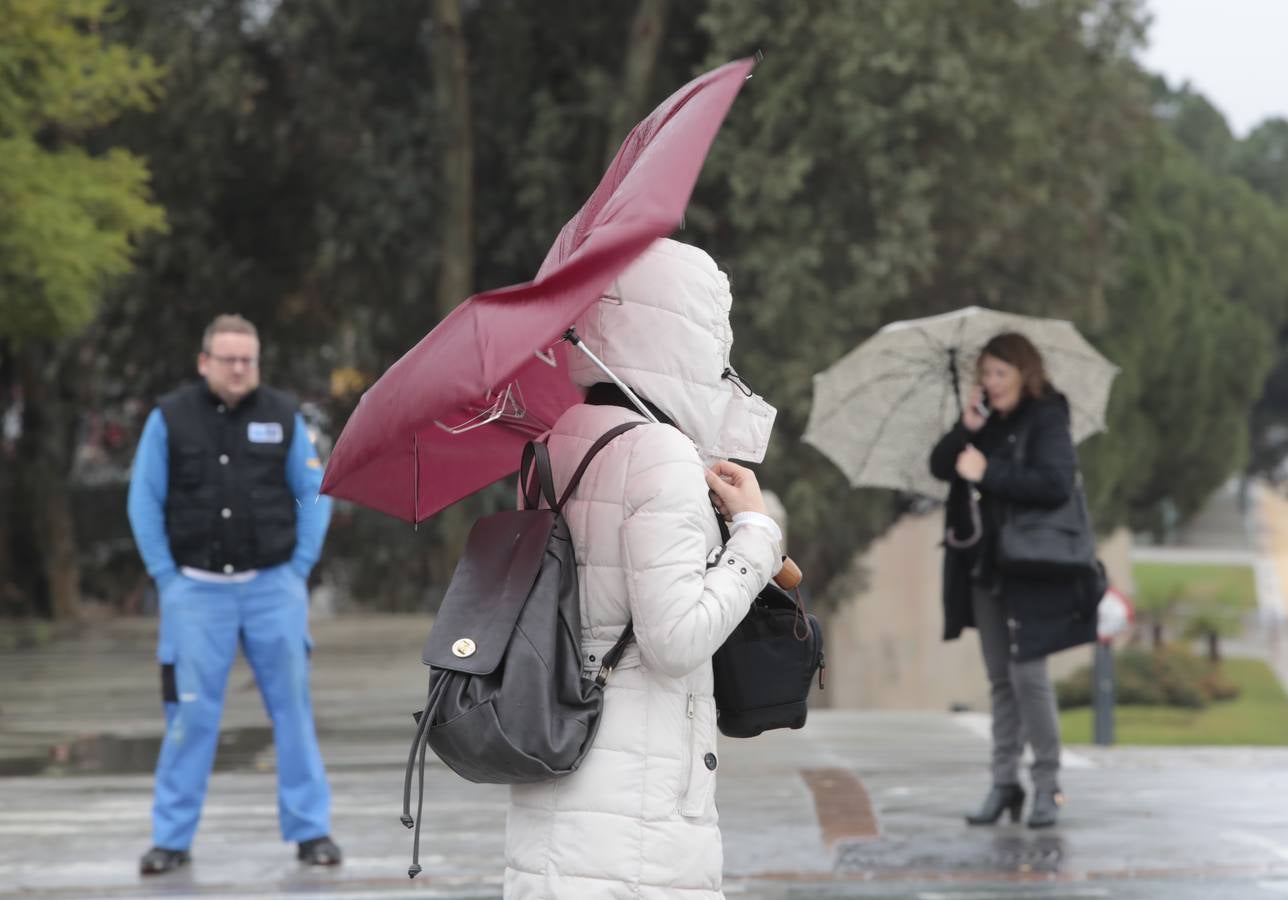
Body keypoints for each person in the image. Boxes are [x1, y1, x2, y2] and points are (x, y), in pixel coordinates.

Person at [504, 238, 783, 899]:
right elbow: (674, 638)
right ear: (682, 335)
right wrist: (755, 535)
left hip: (557, 754)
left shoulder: (556, 443)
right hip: (637, 799)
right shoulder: (660, 454)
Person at [127, 314, 340, 874]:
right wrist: (167, 578)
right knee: (190, 717)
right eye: (229, 359)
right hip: (195, 593)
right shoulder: (169, 419)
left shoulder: (283, 415)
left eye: (249, 358)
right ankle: (170, 839)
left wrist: (298, 569)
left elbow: (315, 491)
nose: (241, 368)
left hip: (273, 589)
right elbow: (143, 501)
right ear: (205, 362)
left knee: (292, 712)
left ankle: (311, 832)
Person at [929, 332, 1096, 830]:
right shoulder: (985, 424)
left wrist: (989, 470)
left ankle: (1048, 785)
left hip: (1031, 569)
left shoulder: (1047, 416)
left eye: (1000, 373)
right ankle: (1004, 783)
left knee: (1029, 677)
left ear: (1025, 372)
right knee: (1001, 679)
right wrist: (966, 429)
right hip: (983, 566)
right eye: (984, 375)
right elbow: (941, 467)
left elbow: (1055, 484)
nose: (991, 383)